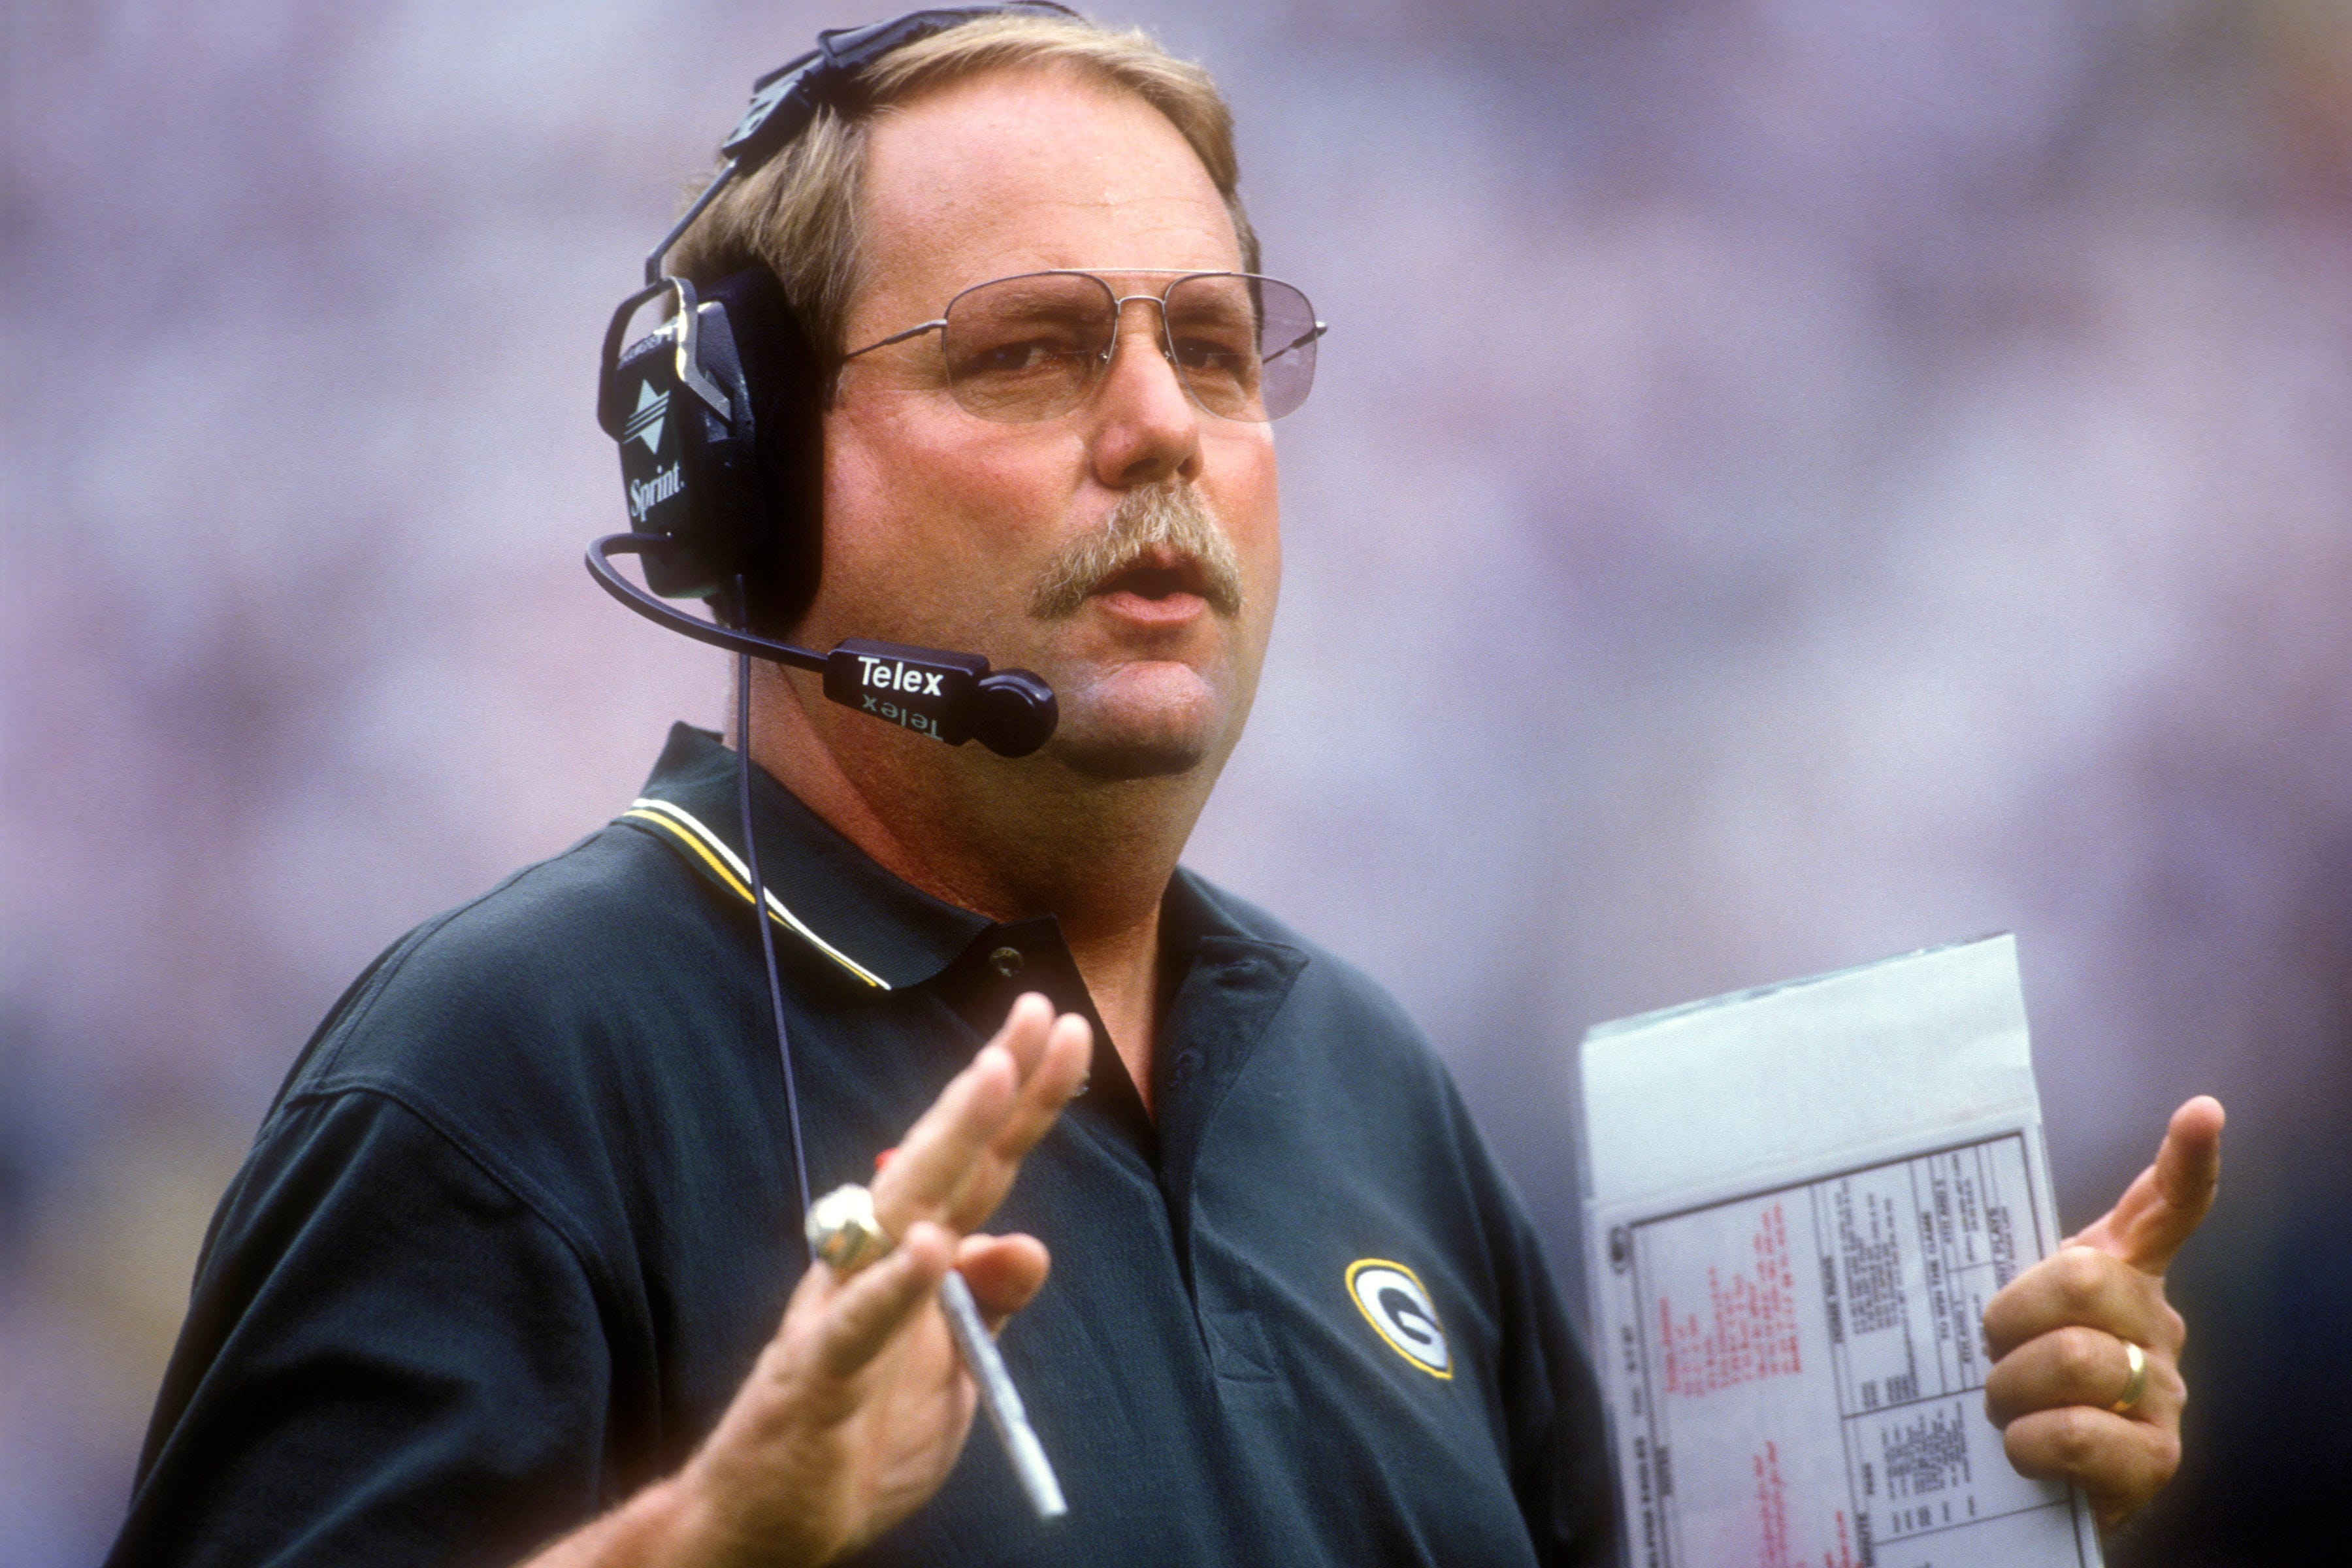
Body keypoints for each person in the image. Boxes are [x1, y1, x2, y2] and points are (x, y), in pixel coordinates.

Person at [107, 10, 2222, 1567]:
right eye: (1027, 350)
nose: (1163, 432)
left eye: (1213, 352)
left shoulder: (1364, 1082)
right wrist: (702, 1548)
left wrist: (1978, 1486)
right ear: (745, 491)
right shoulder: (500, 1075)